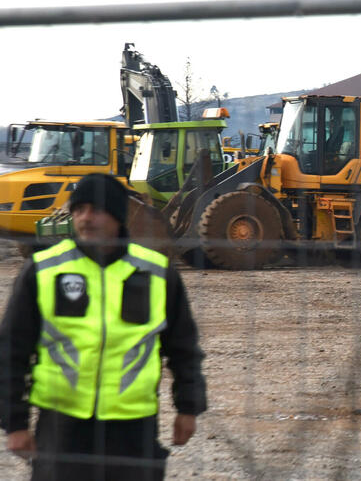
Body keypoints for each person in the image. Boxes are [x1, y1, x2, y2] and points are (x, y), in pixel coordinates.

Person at [0, 173, 207, 480]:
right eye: (79, 209)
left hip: (133, 426)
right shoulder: (43, 270)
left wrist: (188, 408)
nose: (86, 218)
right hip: (62, 425)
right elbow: (11, 350)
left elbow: (183, 348)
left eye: (96, 209)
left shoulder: (156, 273)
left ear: (117, 215)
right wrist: (15, 423)